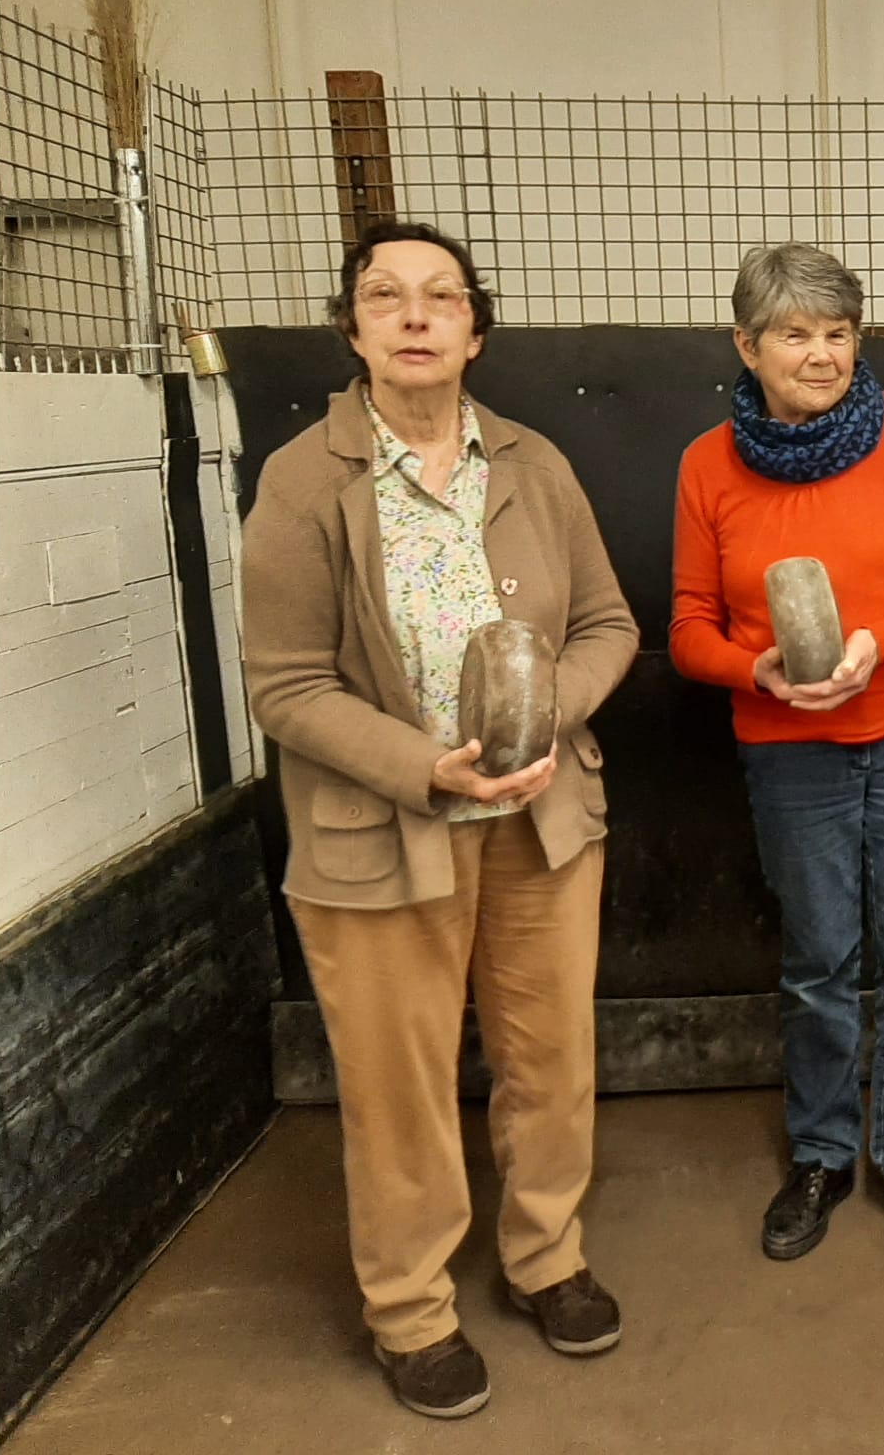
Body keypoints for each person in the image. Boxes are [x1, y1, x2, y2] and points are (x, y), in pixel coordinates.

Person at [241, 222, 639, 1419]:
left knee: (550, 1058)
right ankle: (412, 1312)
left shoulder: (533, 464)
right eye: (386, 296)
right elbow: (284, 685)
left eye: (442, 297)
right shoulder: (303, 480)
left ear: (476, 331)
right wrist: (431, 768)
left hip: (542, 823)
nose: (415, 316)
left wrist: (545, 716)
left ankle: (546, 1259)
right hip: (381, 833)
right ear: (353, 328)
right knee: (397, 1086)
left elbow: (608, 624)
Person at [670, 242, 884, 1271]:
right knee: (817, 961)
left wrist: (877, 645)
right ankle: (820, 1154)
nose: (822, 355)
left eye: (839, 333)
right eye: (795, 335)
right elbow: (686, 628)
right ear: (746, 346)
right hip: (788, 748)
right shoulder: (707, 465)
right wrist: (756, 670)